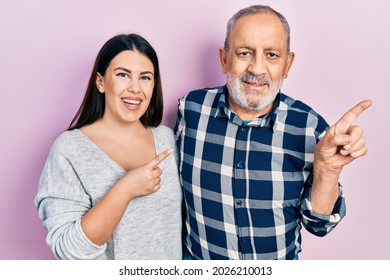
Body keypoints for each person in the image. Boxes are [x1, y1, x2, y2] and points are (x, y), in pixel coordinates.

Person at [175, 5, 372, 260]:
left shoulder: (310, 127)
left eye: (271, 55)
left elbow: (319, 226)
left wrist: (328, 172)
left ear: (287, 64)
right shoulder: (190, 110)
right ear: (224, 59)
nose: (257, 69)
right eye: (245, 52)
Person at [35, 34, 182, 260]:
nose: (135, 88)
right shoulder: (69, 150)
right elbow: (69, 251)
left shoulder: (167, 140)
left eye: (145, 77)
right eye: (123, 75)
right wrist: (124, 190)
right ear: (101, 82)